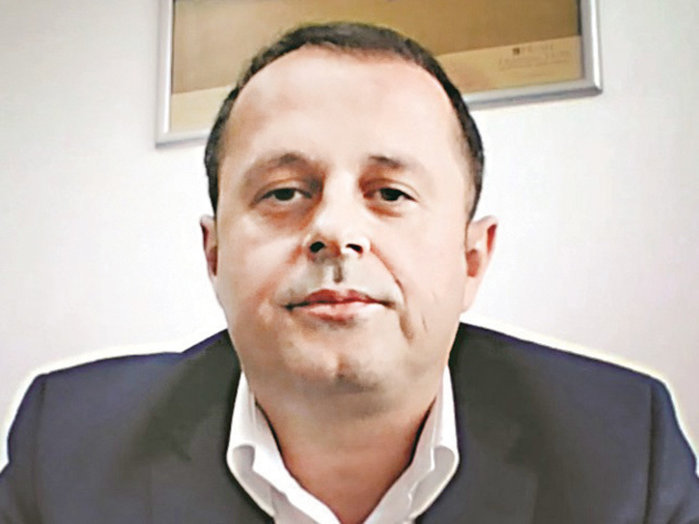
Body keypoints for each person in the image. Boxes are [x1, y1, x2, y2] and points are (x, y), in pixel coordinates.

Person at [1, 22, 698, 524]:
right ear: (213, 254)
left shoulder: (622, 457)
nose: (334, 230)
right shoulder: (66, 446)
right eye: (283, 192)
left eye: (389, 193)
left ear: (471, 258)